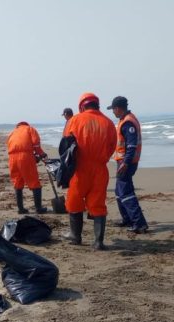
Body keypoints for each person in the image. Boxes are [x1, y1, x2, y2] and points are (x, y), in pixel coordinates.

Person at [62, 93, 117, 250]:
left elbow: (66, 144)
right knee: (98, 203)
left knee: (74, 201)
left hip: (80, 169)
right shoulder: (108, 122)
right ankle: (98, 242)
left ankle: (75, 235)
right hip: (100, 168)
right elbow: (112, 145)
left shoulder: (75, 120)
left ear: (82, 106)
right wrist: (102, 158)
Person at [108, 96, 148, 233]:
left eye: (113, 109)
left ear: (118, 108)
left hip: (127, 162)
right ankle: (127, 219)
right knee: (119, 192)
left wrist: (125, 162)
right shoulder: (125, 120)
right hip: (123, 161)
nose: (113, 112)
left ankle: (139, 223)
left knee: (125, 192)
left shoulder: (128, 123)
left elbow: (131, 146)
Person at [6, 122, 48, 214]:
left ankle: (20, 209)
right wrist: (41, 154)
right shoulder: (30, 129)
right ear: (26, 124)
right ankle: (38, 208)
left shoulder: (13, 132)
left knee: (17, 182)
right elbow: (36, 143)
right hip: (25, 156)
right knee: (34, 181)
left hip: (12, 158)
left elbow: (9, 145)